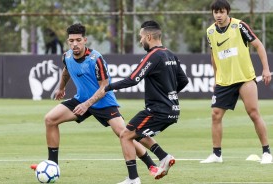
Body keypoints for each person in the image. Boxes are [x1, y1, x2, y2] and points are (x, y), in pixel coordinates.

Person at [30, 23, 158, 176]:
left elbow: (104, 86)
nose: (75, 44)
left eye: (78, 40)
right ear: (68, 41)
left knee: (124, 133)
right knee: (50, 119)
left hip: (104, 102)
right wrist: (61, 87)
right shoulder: (67, 56)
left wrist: (87, 104)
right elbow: (67, 69)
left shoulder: (95, 58)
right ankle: (52, 166)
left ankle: (151, 165)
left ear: (85, 40)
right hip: (81, 100)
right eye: (71, 41)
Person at [103, 20, 189, 184]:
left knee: (125, 135)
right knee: (137, 132)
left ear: (149, 36)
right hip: (172, 110)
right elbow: (184, 80)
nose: (140, 40)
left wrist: (108, 87)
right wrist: (170, 94)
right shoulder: (170, 54)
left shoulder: (153, 56)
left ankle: (133, 179)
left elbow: (133, 79)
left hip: (157, 110)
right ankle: (164, 157)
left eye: (141, 37)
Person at [200, 0, 272, 164]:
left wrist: (266, 69)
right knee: (215, 115)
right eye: (215, 12)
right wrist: (215, 78)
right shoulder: (210, 31)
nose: (218, 15)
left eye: (221, 12)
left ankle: (267, 152)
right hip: (224, 81)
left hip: (244, 78)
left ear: (227, 12)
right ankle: (216, 154)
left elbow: (259, 45)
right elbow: (214, 56)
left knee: (253, 113)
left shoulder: (239, 26)